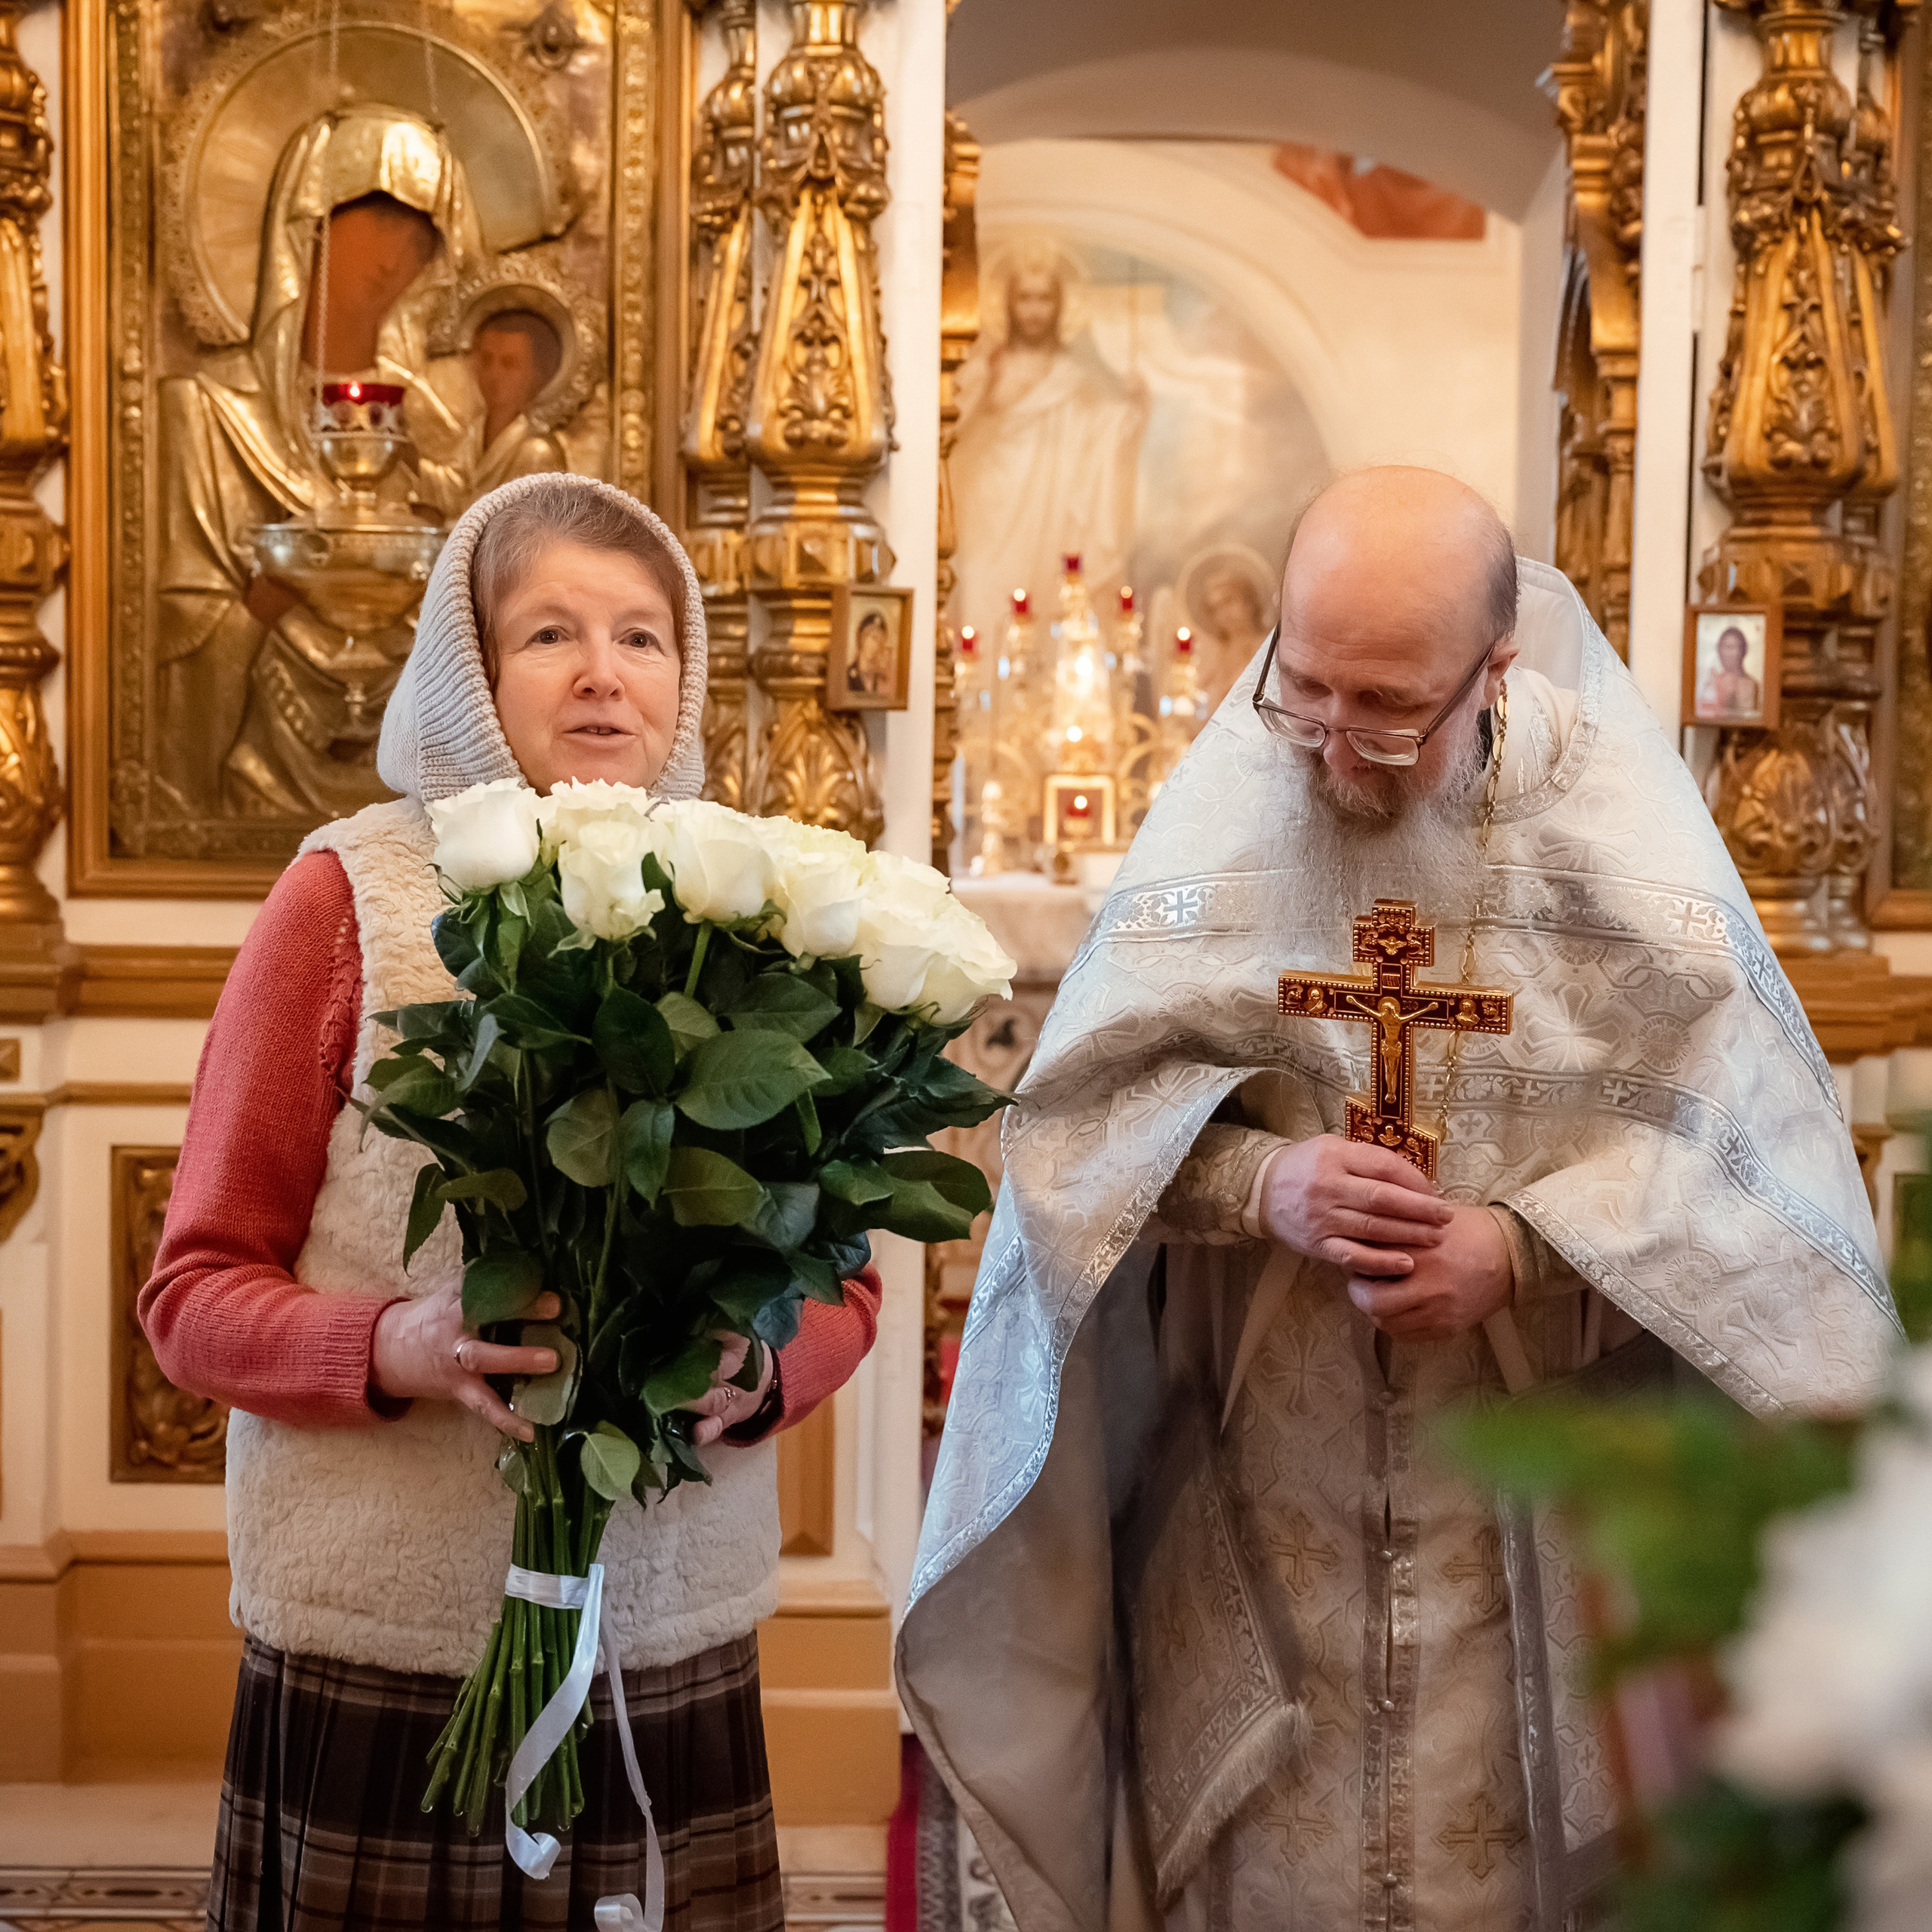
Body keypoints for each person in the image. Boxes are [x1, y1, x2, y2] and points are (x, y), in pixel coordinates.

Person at [897, 467, 1897, 1930]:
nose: (1331, 744)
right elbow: (1073, 1134)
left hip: (1538, 1522)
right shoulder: (1231, 806)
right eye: (1302, 688)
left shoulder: (1621, 842)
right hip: (1258, 1498)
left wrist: (1528, 1243)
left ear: (1491, 672)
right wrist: (1261, 1178)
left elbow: (1753, 1172)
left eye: (1385, 707)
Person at [143, 472, 881, 1931]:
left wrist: (765, 1368)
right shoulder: (345, 901)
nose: (605, 672)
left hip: (662, 1640)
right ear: (470, 673)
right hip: (395, 1642)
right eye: (551, 634)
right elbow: (191, 1297)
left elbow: (845, 1280)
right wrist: (395, 1347)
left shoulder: (761, 910)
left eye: (643, 636)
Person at [158, 108, 487, 820]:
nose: (393, 257)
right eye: (374, 221)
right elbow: (184, 630)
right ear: (309, 227)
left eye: (418, 237)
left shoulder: (433, 427)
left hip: (416, 780)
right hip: (254, 765)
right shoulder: (207, 411)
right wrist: (269, 599)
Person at [948, 244, 1146, 654]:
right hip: (992, 508)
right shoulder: (987, 368)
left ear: (1059, 306)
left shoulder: (1073, 377)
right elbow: (951, 430)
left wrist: (1132, 414)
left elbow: (1099, 435)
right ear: (1008, 304)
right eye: (1025, 298)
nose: (1034, 310)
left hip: (1052, 506)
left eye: (1044, 299)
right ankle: (979, 702)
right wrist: (982, 389)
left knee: (1048, 602)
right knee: (987, 601)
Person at [1700, 622, 1762, 718]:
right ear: (1719, 651)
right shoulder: (1712, 684)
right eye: (1728, 647)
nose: (1734, 653)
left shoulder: (1753, 685)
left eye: (1738, 647)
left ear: (1744, 651)